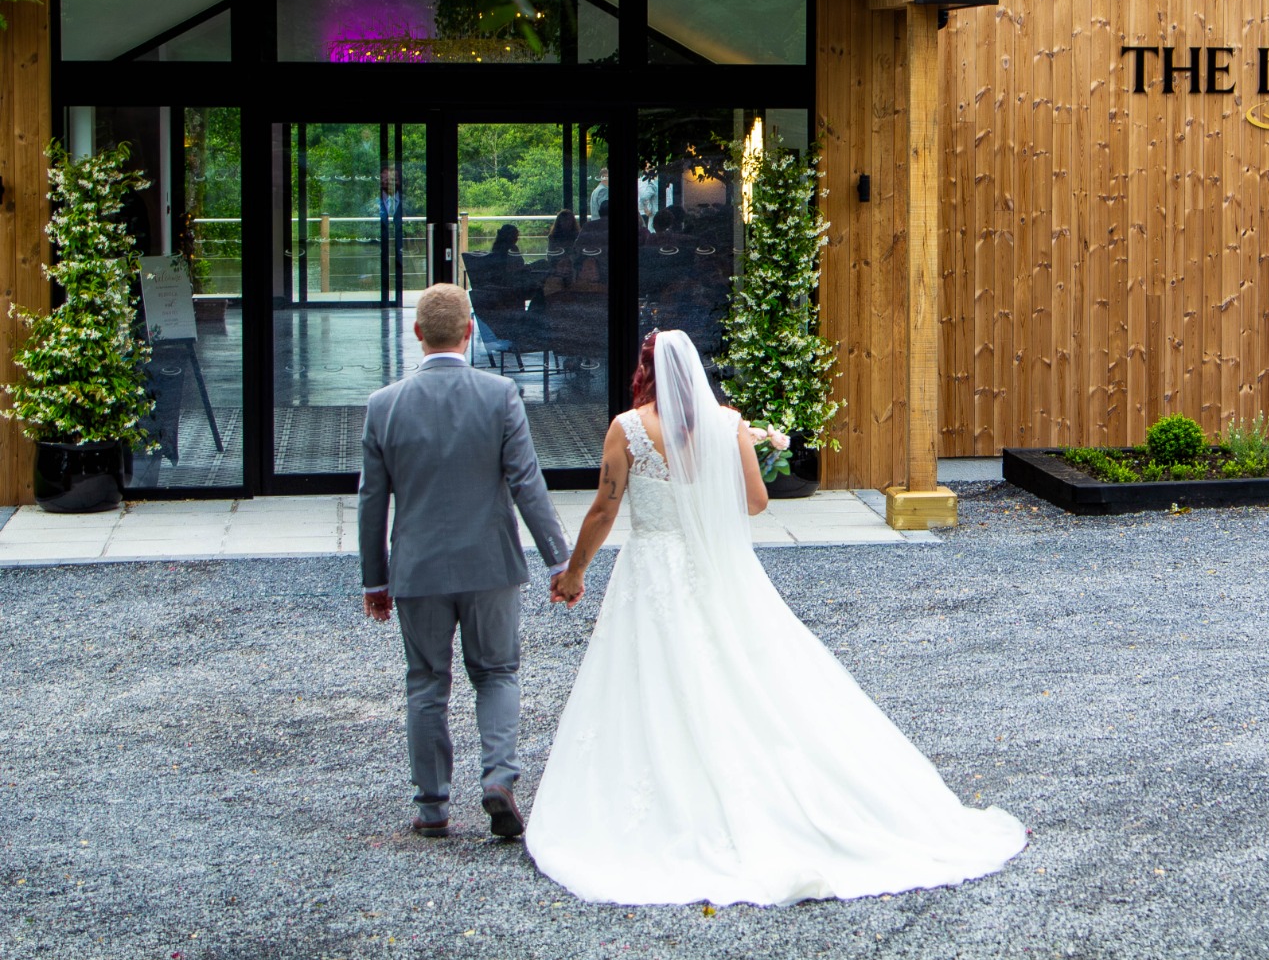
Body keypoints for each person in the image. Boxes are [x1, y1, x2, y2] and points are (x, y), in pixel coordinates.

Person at [525, 330, 1024, 905]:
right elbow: (757, 500)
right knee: (739, 669)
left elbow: (603, 509)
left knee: (652, 676)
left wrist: (575, 572)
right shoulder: (728, 424)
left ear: (646, 373)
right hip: (716, 567)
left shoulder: (628, 428)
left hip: (651, 569)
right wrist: (705, 503)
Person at [358, 284, 572, 840]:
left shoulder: (383, 406)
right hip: (490, 563)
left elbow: (372, 501)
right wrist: (558, 561)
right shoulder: (500, 395)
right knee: (497, 672)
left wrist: (375, 580)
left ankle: (432, 807)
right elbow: (527, 482)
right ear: (470, 331)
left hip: (418, 568)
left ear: (417, 333)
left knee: (426, 683)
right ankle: (498, 777)